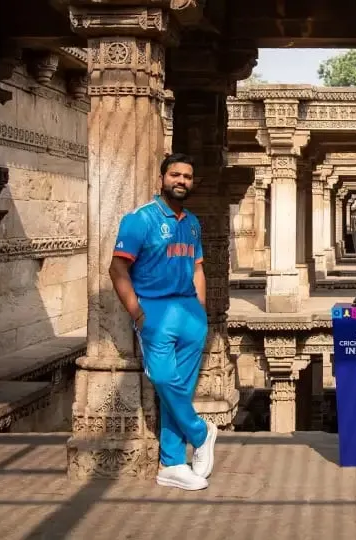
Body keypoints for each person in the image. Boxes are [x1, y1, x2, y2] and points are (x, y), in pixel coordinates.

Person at [109, 153, 218, 491]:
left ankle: (171, 464)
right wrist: (138, 313)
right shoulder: (141, 220)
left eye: (187, 176)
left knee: (180, 389)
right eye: (175, 174)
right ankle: (201, 432)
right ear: (162, 178)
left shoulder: (192, 222)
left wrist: (200, 309)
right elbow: (117, 269)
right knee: (162, 376)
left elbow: (198, 267)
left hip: (189, 314)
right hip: (154, 312)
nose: (181, 181)